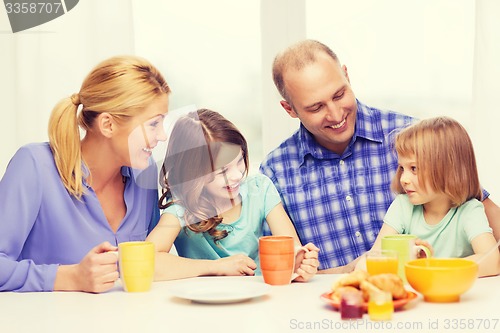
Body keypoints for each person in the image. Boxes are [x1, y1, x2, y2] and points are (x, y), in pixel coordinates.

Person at [259, 39, 500, 273]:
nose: (335, 114)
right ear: (289, 109)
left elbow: (472, 201)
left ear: (347, 76)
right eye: (316, 107)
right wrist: (348, 271)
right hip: (332, 307)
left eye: (339, 95)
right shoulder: (275, 172)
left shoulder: (410, 139)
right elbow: (281, 273)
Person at [0, 55, 171, 292]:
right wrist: (68, 277)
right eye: (153, 124)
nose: (162, 135)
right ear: (108, 125)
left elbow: (153, 261)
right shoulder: (34, 166)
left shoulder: (145, 172)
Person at [146, 109, 320, 281]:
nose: (237, 175)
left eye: (239, 160)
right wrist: (216, 267)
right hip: (205, 304)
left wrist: (300, 263)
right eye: (223, 171)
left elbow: (291, 248)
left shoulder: (259, 189)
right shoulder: (182, 206)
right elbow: (147, 263)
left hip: (257, 299)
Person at [357, 117, 499, 277]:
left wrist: (432, 266)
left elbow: (492, 261)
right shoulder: (403, 206)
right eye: (402, 168)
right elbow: (373, 258)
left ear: (448, 170)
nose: (403, 178)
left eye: (414, 168)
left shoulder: (469, 210)